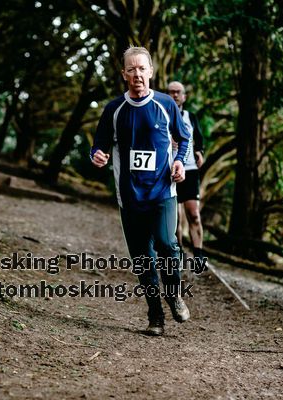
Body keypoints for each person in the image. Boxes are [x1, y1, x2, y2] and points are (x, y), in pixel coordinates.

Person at [90, 47, 191, 336]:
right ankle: (155, 316)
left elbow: (182, 140)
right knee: (143, 259)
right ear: (124, 74)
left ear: (151, 72)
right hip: (130, 196)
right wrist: (97, 155)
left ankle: (173, 293)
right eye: (131, 69)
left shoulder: (165, 104)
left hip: (162, 191)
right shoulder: (114, 109)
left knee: (166, 244)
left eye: (142, 69)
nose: (137, 74)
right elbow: (98, 145)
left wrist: (178, 163)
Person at [167, 81, 205, 263]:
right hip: (168, 169)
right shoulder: (161, 114)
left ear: (184, 96)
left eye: (178, 92)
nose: (174, 95)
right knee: (175, 216)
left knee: (193, 214)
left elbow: (198, 138)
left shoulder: (191, 117)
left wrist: (200, 152)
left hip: (189, 169)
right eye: (171, 92)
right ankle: (179, 251)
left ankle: (198, 254)